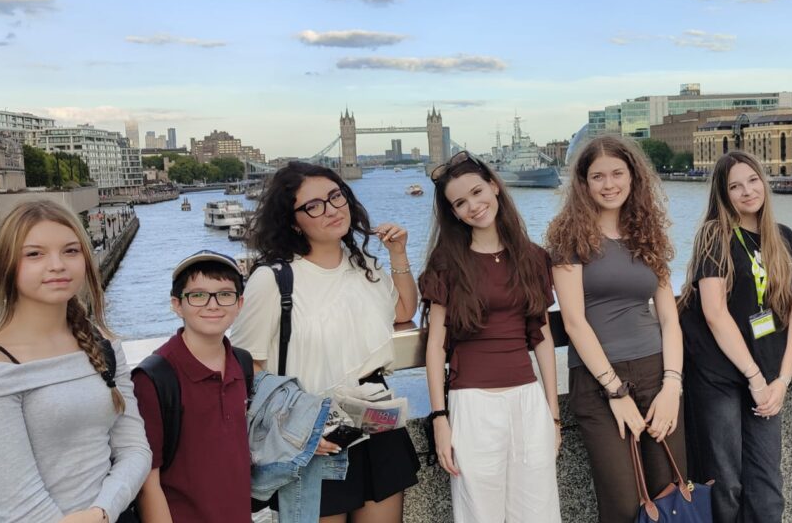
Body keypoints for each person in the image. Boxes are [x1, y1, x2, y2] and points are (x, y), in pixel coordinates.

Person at [231, 161, 421, 523]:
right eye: (314, 206)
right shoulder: (274, 279)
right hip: (314, 434)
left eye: (336, 196)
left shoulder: (363, 264)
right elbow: (246, 366)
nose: (332, 209)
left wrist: (398, 254)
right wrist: (291, 434)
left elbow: (402, 310)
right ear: (293, 221)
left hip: (376, 422)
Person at [0, 200, 151, 523]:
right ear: (7, 265)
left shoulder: (103, 344)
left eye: (71, 251)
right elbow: (16, 499)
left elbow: (135, 449)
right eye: (35, 254)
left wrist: (103, 511)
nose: (57, 265)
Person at [545, 135, 686, 523]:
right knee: (623, 505)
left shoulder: (649, 233)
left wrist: (672, 386)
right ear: (583, 183)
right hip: (598, 382)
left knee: (670, 494)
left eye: (617, 173)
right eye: (598, 176)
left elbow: (669, 318)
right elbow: (574, 322)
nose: (609, 184)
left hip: (656, 372)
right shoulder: (568, 236)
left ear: (633, 176)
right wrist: (615, 391)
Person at [419, 151, 562, 522]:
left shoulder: (532, 257)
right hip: (473, 404)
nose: (473, 206)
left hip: (528, 401)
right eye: (460, 203)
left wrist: (553, 416)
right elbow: (435, 346)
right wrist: (439, 418)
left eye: (476, 192)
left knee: (539, 512)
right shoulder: (447, 263)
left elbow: (542, 338)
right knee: (480, 513)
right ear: (453, 213)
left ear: (495, 187)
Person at [678, 151, 792, 522]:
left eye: (752, 180)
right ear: (723, 193)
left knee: (768, 481)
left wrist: (783, 379)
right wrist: (755, 378)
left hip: (767, 375)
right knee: (725, 481)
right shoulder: (715, 235)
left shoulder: (784, 238)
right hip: (720, 375)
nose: (747, 191)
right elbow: (715, 312)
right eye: (735, 186)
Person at [132, 250, 251, 523]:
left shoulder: (241, 363)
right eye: (198, 295)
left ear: (239, 303)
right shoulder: (154, 378)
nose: (212, 305)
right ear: (177, 304)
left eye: (224, 294)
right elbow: (148, 483)